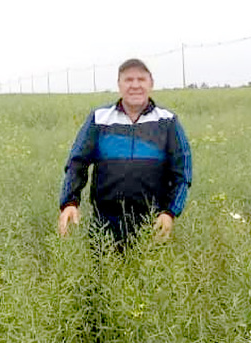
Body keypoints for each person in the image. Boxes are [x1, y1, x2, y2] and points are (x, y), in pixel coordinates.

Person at [58, 58, 192, 247]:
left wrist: (169, 212)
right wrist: (70, 202)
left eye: (141, 79)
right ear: (119, 85)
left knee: (150, 275)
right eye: (128, 80)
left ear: (151, 83)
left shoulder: (168, 122)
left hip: (152, 226)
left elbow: (182, 173)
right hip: (104, 226)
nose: (135, 85)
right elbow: (77, 163)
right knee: (103, 275)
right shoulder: (100, 119)